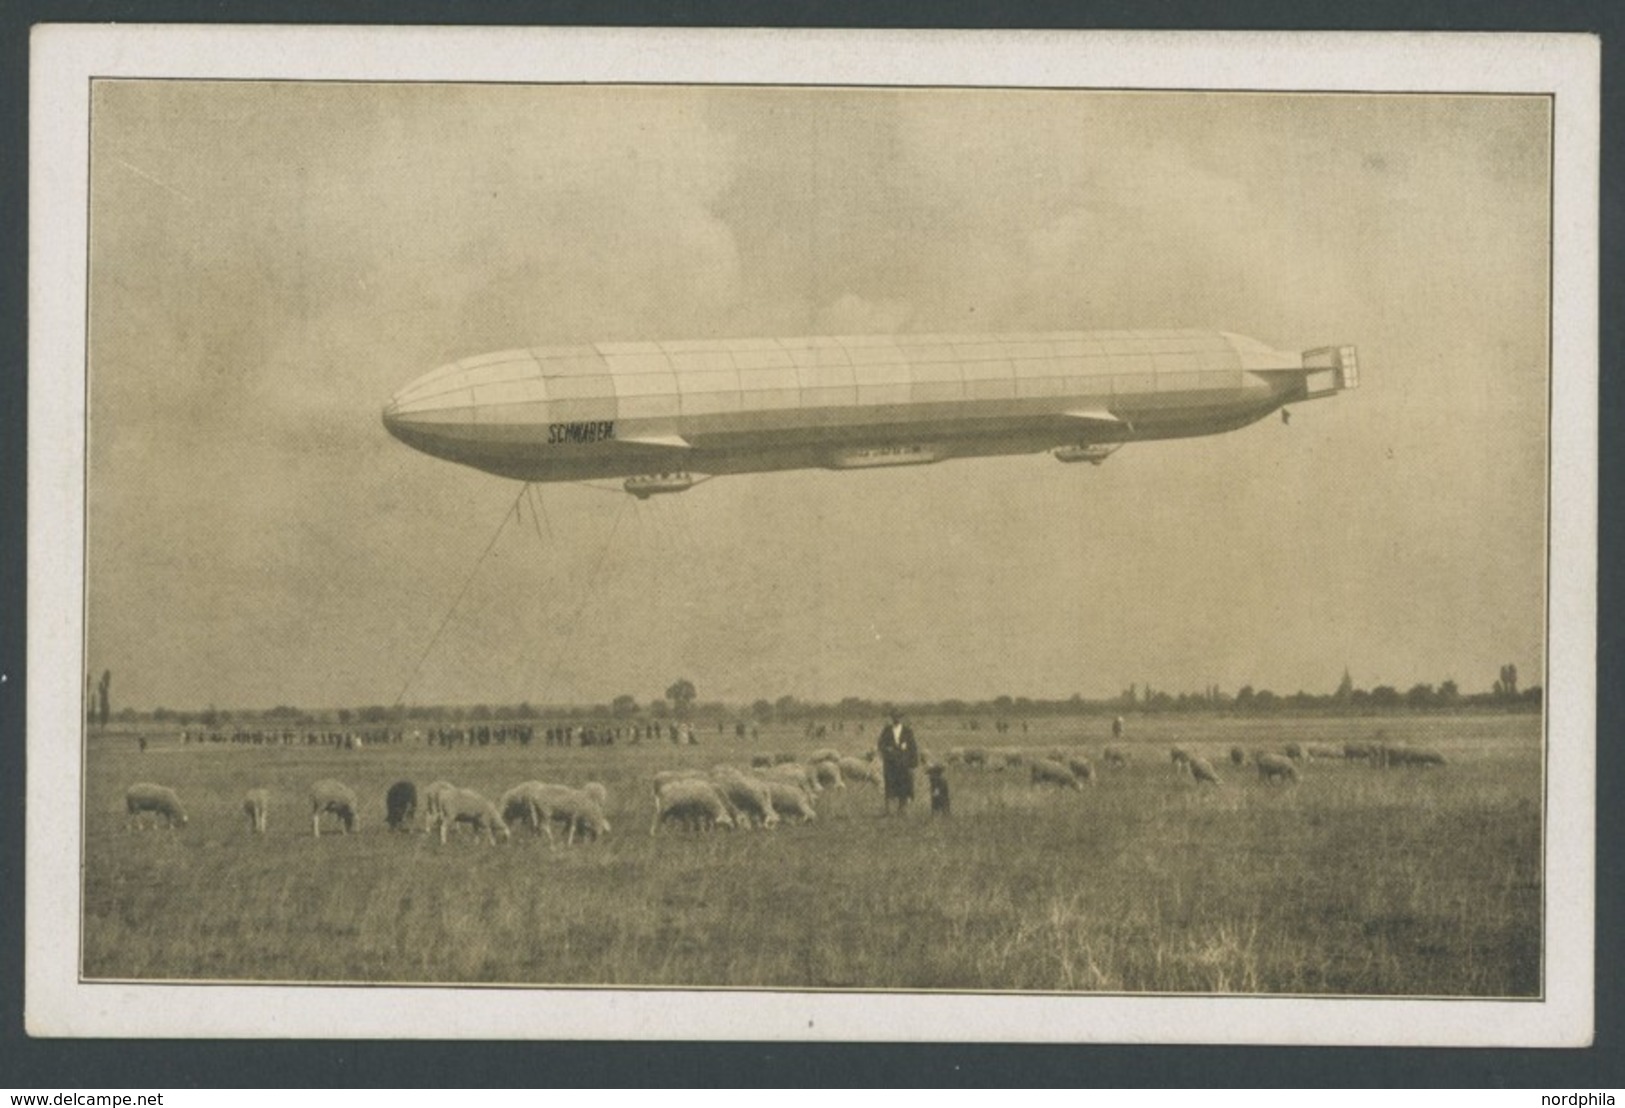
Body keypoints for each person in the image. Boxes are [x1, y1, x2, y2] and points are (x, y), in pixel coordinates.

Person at [877, 709, 920, 814]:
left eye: (898, 717)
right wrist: (887, 749)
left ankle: (902, 809)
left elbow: (913, 747)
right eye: (894, 717)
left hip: (903, 763)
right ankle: (889, 810)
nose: (896, 719)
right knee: (890, 786)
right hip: (890, 764)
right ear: (892, 718)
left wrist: (913, 762)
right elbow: (880, 744)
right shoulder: (886, 730)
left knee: (904, 786)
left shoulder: (907, 731)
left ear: (901, 718)